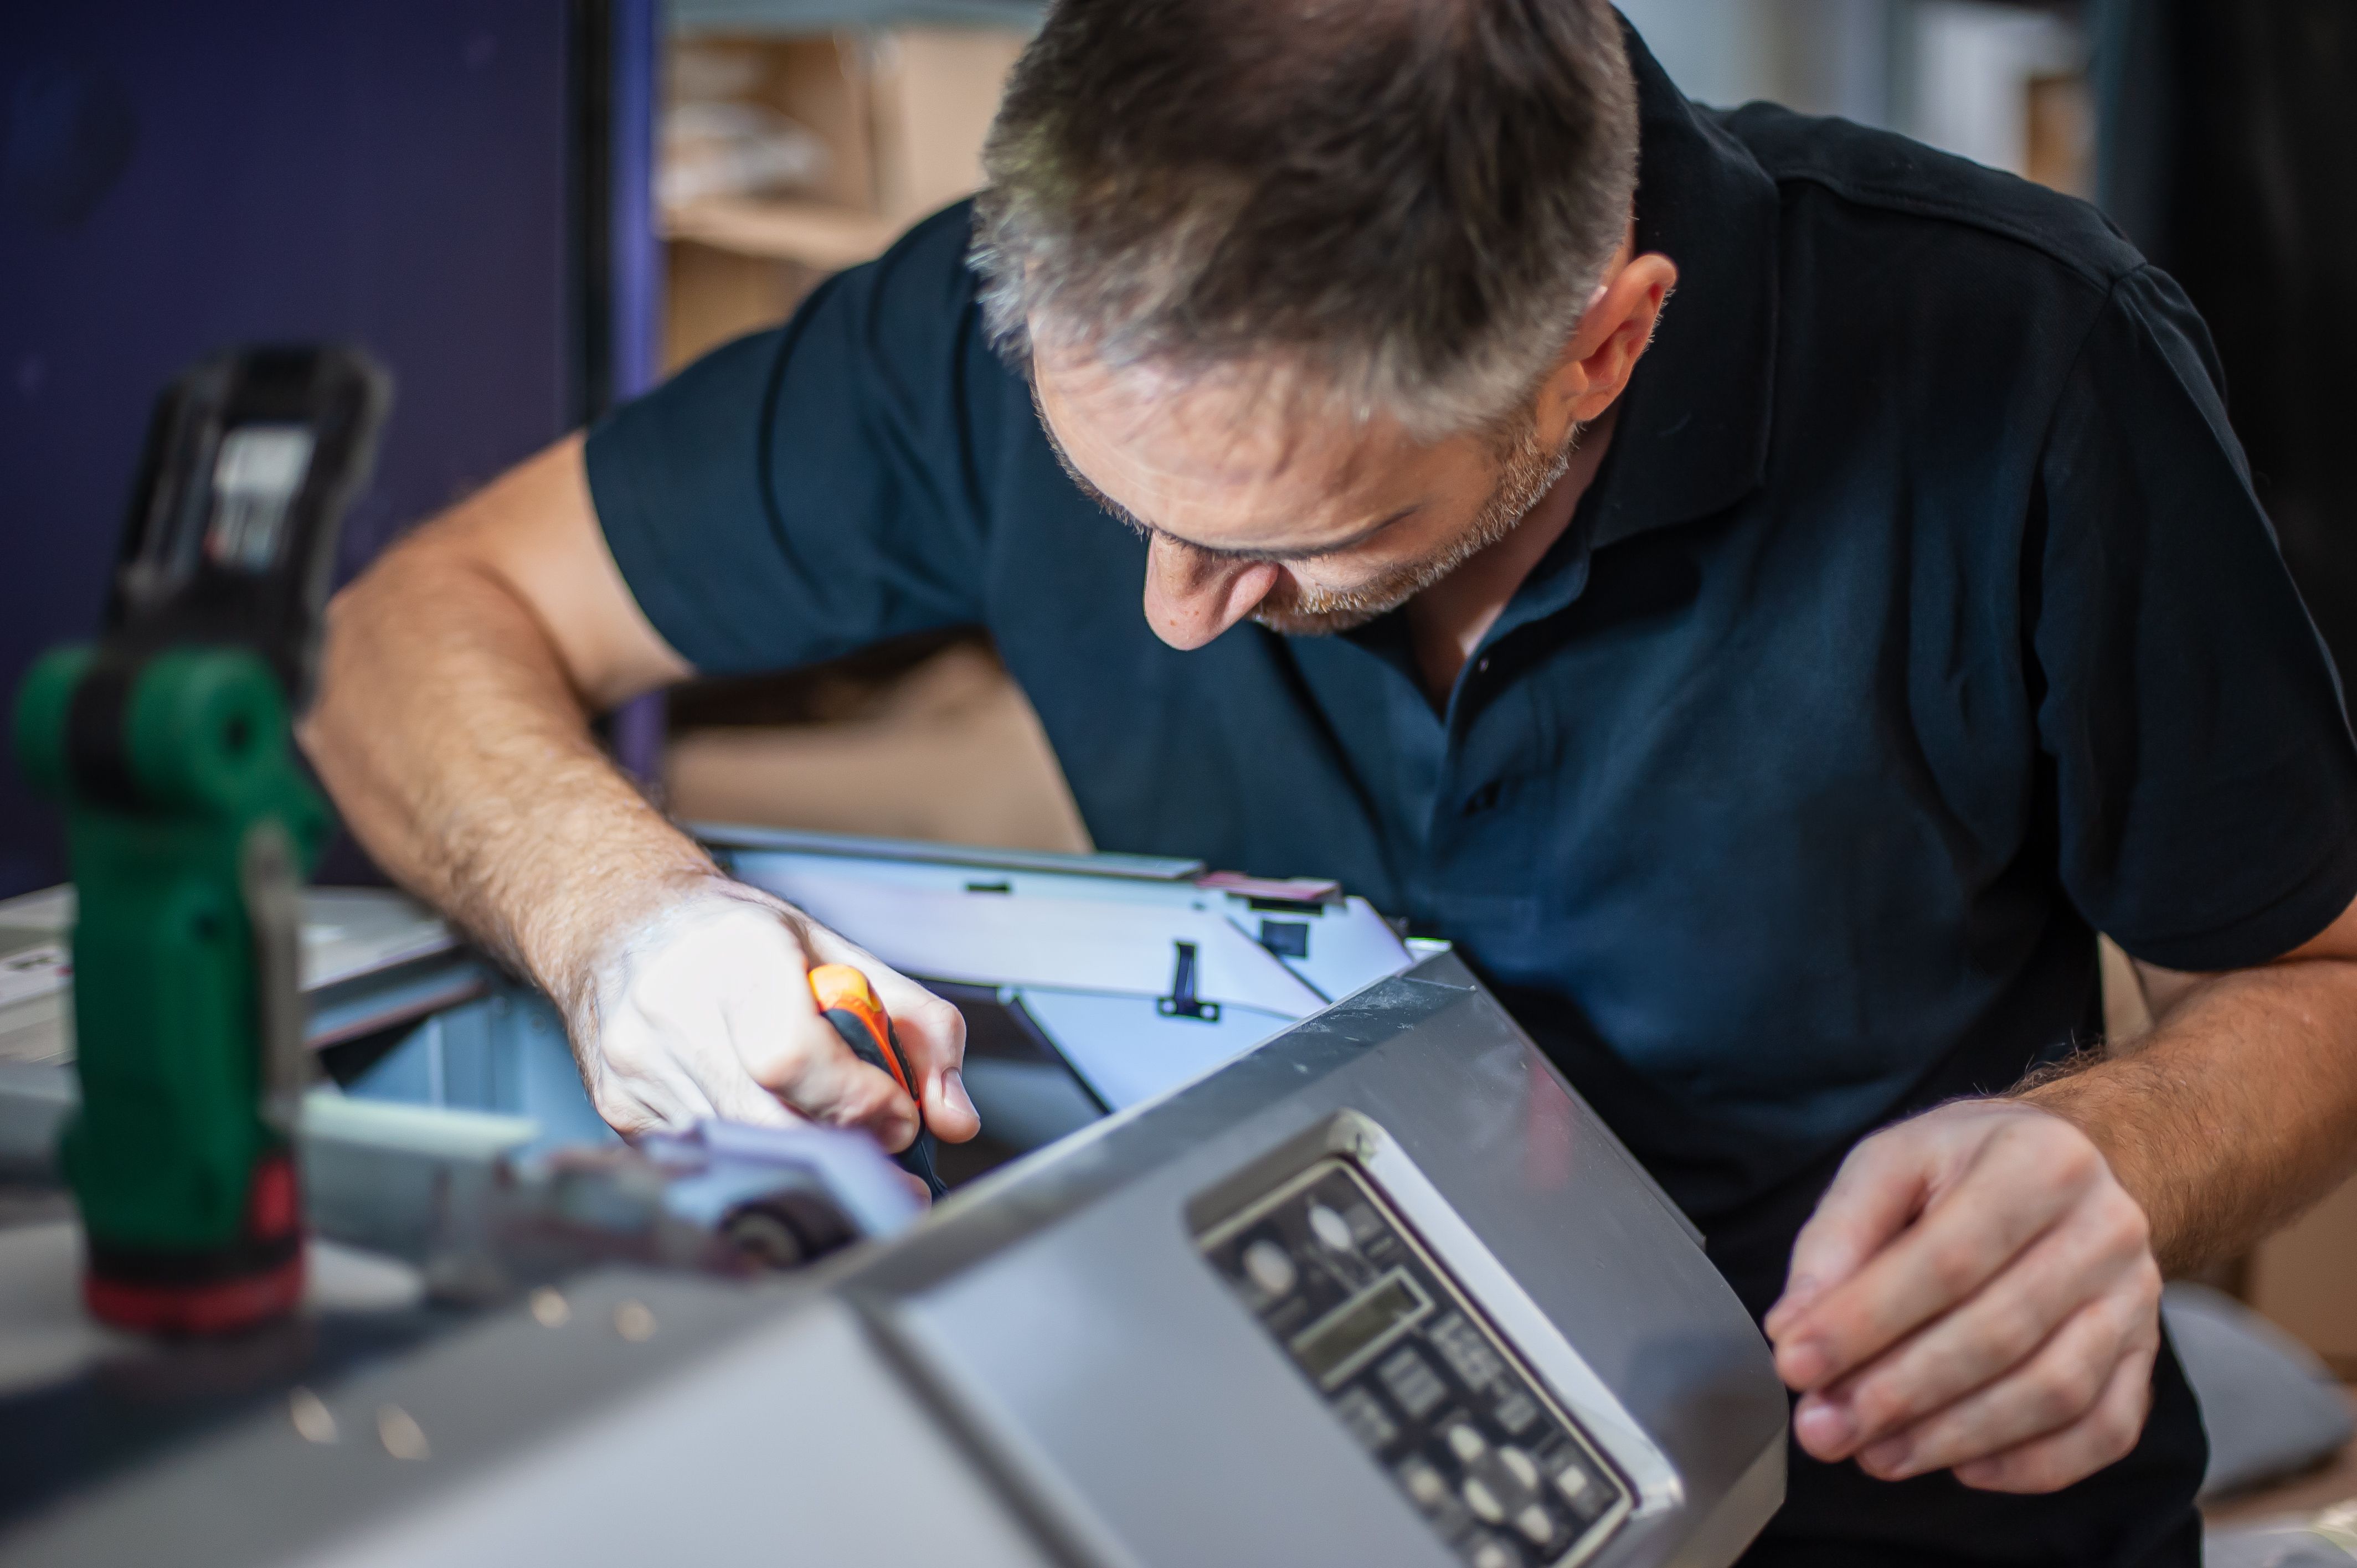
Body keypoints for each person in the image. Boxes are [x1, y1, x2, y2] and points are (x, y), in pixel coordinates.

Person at [302, 2, 2357, 1563]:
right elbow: (412, 629)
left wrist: (2117, 1164)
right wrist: (620, 923)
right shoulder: (964, 335)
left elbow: (2322, 979)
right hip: (1273, 1483)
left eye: (1288, 544)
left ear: (1600, 348)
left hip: (1876, 1506)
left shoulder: (2029, 368)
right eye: (1115, 497)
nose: (1175, 613)